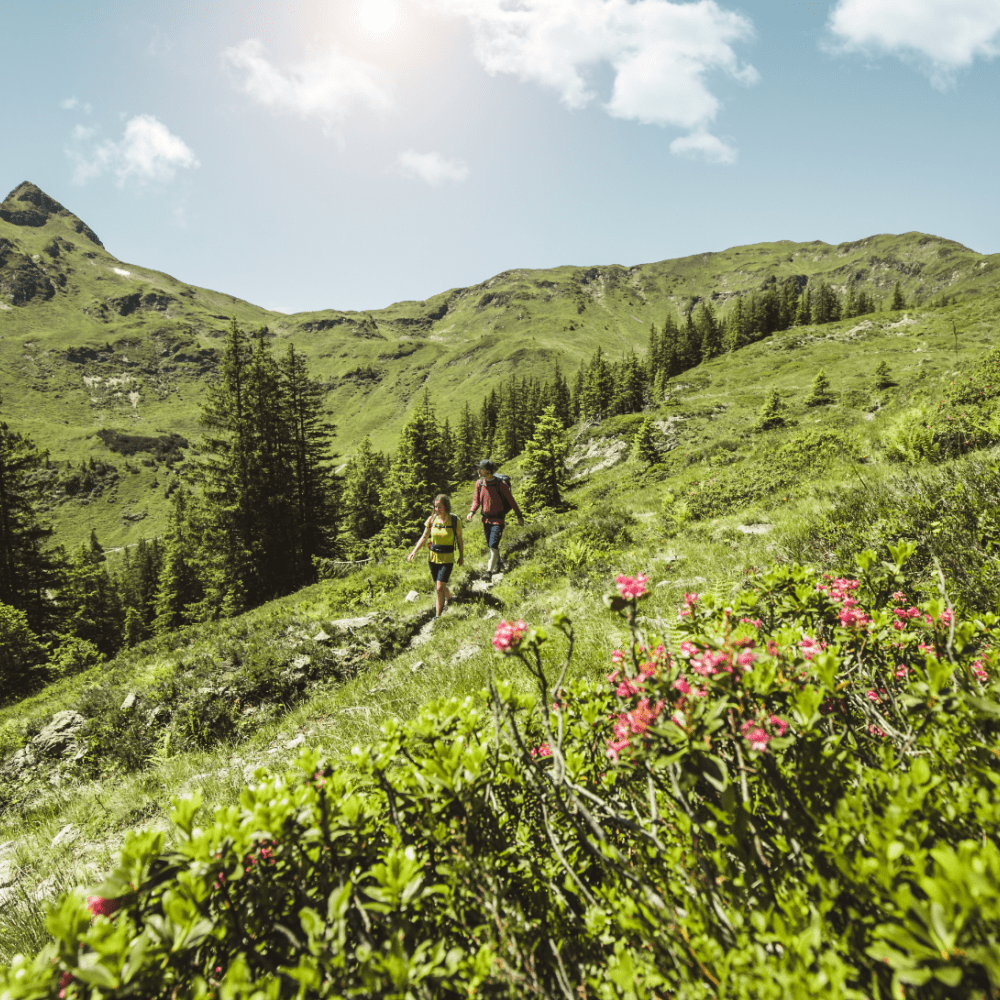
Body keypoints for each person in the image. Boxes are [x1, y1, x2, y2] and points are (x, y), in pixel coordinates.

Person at [408, 494, 464, 618]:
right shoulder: (432, 519)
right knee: (439, 584)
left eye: (440, 507)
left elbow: (459, 539)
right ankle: (450, 598)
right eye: (436, 507)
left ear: (446, 507)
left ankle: (438, 616)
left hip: (447, 558)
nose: (437, 510)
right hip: (433, 557)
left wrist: (461, 555)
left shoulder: (454, 520)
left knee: (439, 588)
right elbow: (424, 537)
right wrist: (414, 551)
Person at [467, 459, 524, 577]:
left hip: (498, 519)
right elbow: (476, 500)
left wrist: (519, 515)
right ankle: (498, 563)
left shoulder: (500, 484)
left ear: (488, 472)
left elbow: (511, 500)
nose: (479, 471)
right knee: (491, 545)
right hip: (486, 519)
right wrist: (471, 512)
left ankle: (488, 572)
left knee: (493, 545)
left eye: (481, 469)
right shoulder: (479, 483)